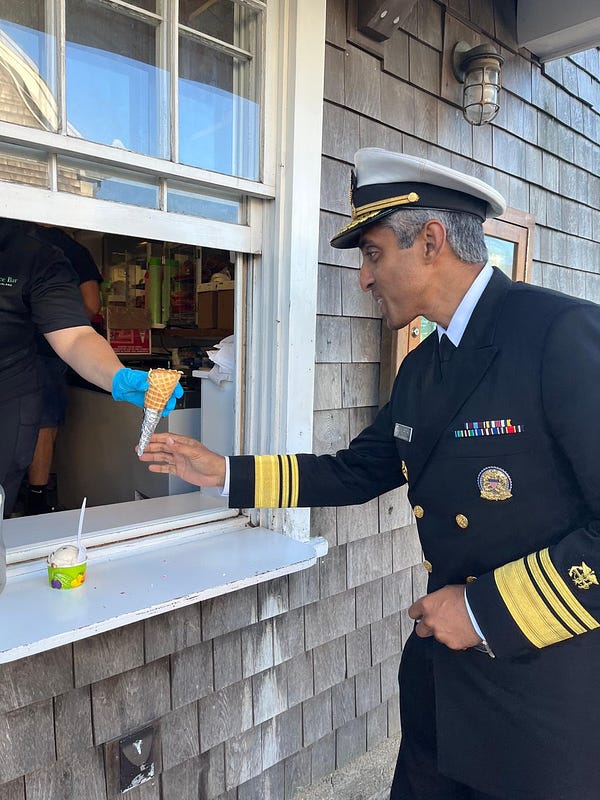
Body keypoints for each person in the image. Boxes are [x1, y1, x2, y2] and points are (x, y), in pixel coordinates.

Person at [139, 148, 600, 800]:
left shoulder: (558, 334)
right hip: (442, 689)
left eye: (374, 253)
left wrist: (485, 610)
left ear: (431, 242)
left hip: (540, 705)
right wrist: (224, 474)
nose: (363, 277)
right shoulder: (423, 370)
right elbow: (354, 472)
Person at [0, 217, 183, 518]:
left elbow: (75, 336)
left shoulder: (36, 255)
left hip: (10, 388)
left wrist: (116, 376)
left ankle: (35, 499)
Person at [25, 224, 103, 514]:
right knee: (44, 424)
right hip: (48, 350)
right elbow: (92, 304)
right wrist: (61, 324)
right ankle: (36, 500)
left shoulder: (13, 242)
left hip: (12, 346)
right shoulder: (70, 249)